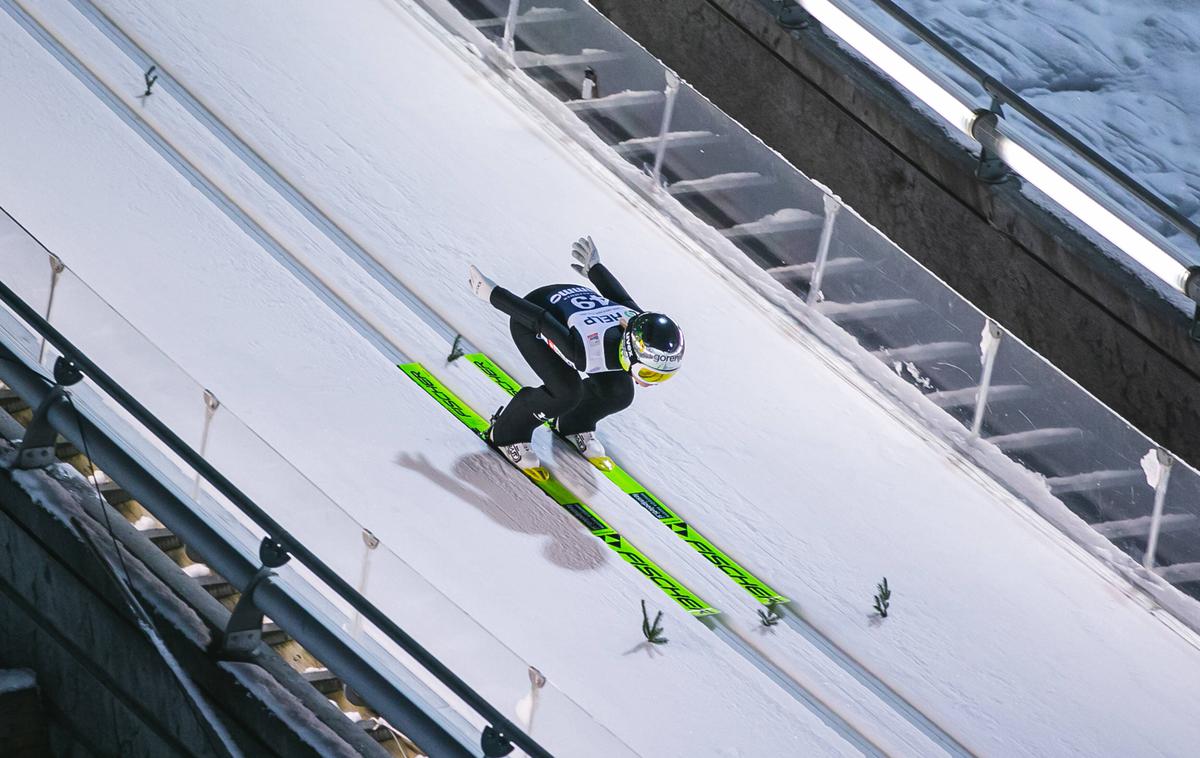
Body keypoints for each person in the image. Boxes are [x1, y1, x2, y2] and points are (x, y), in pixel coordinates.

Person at [468, 236, 684, 474]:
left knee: (620, 393)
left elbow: (620, 298)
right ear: (630, 353)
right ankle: (507, 433)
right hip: (532, 319)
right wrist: (494, 294)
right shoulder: (586, 351)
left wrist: (596, 269)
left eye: (662, 377)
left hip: (572, 310)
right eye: (648, 374)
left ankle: (574, 423)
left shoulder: (639, 321)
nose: (650, 383)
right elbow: (542, 320)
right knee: (566, 392)